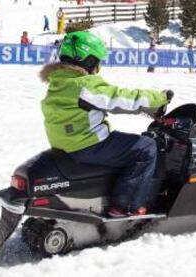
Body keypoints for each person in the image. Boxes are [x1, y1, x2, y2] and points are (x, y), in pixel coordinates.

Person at [39, 31, 172, 217]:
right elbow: (119, 98)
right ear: (88, 61)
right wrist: (158, 99)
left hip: (65, 143)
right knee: (146, 147)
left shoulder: (59, 82)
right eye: (97, 62)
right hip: (87, 144)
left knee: (127, 142)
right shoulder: (83, 86)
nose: (98, 68)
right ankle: (125, 206)